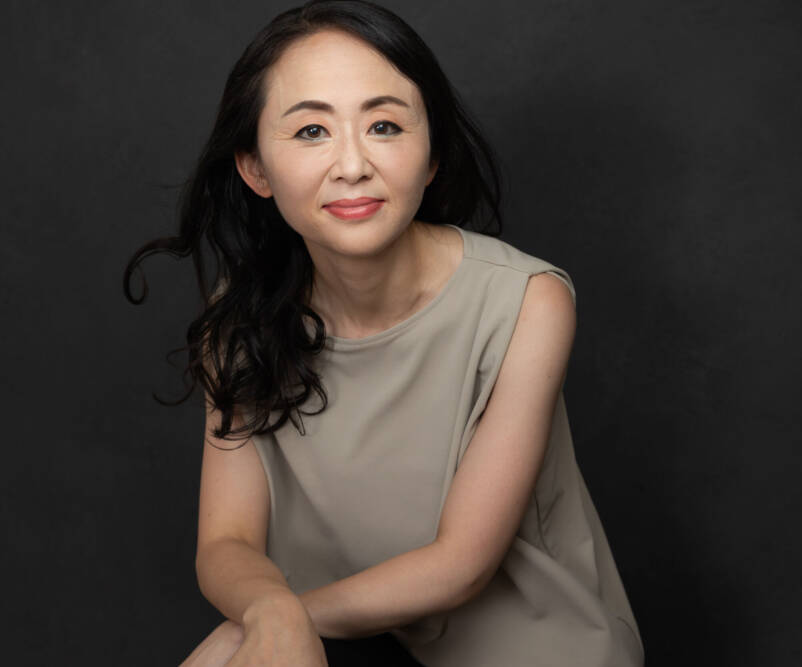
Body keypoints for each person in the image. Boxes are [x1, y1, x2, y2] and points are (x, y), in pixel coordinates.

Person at [123, 1, 644, 665]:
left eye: (385, 125)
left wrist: (270, 621)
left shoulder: (527, 302)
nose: (351, 164)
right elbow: (225, 543)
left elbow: (462, 565)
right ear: (255, 167)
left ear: (429, 157)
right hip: (351, 642)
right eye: (312, 130)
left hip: (535, 645)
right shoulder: (243, 320)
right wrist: (269, 611)